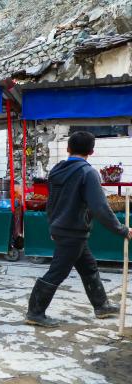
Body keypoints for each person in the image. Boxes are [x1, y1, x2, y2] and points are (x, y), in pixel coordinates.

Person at [25, 131, 132, 327]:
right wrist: (122, 230)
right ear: (91, 151)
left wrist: (53, 225)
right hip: (72, 232)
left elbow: (51, 204)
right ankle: (35, 312)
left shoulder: (56, 170)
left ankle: (101, 306)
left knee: (89, 267)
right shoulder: (88, 173)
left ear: (67, 149)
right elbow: (100, 208)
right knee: (57, 272)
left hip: (65, 229)